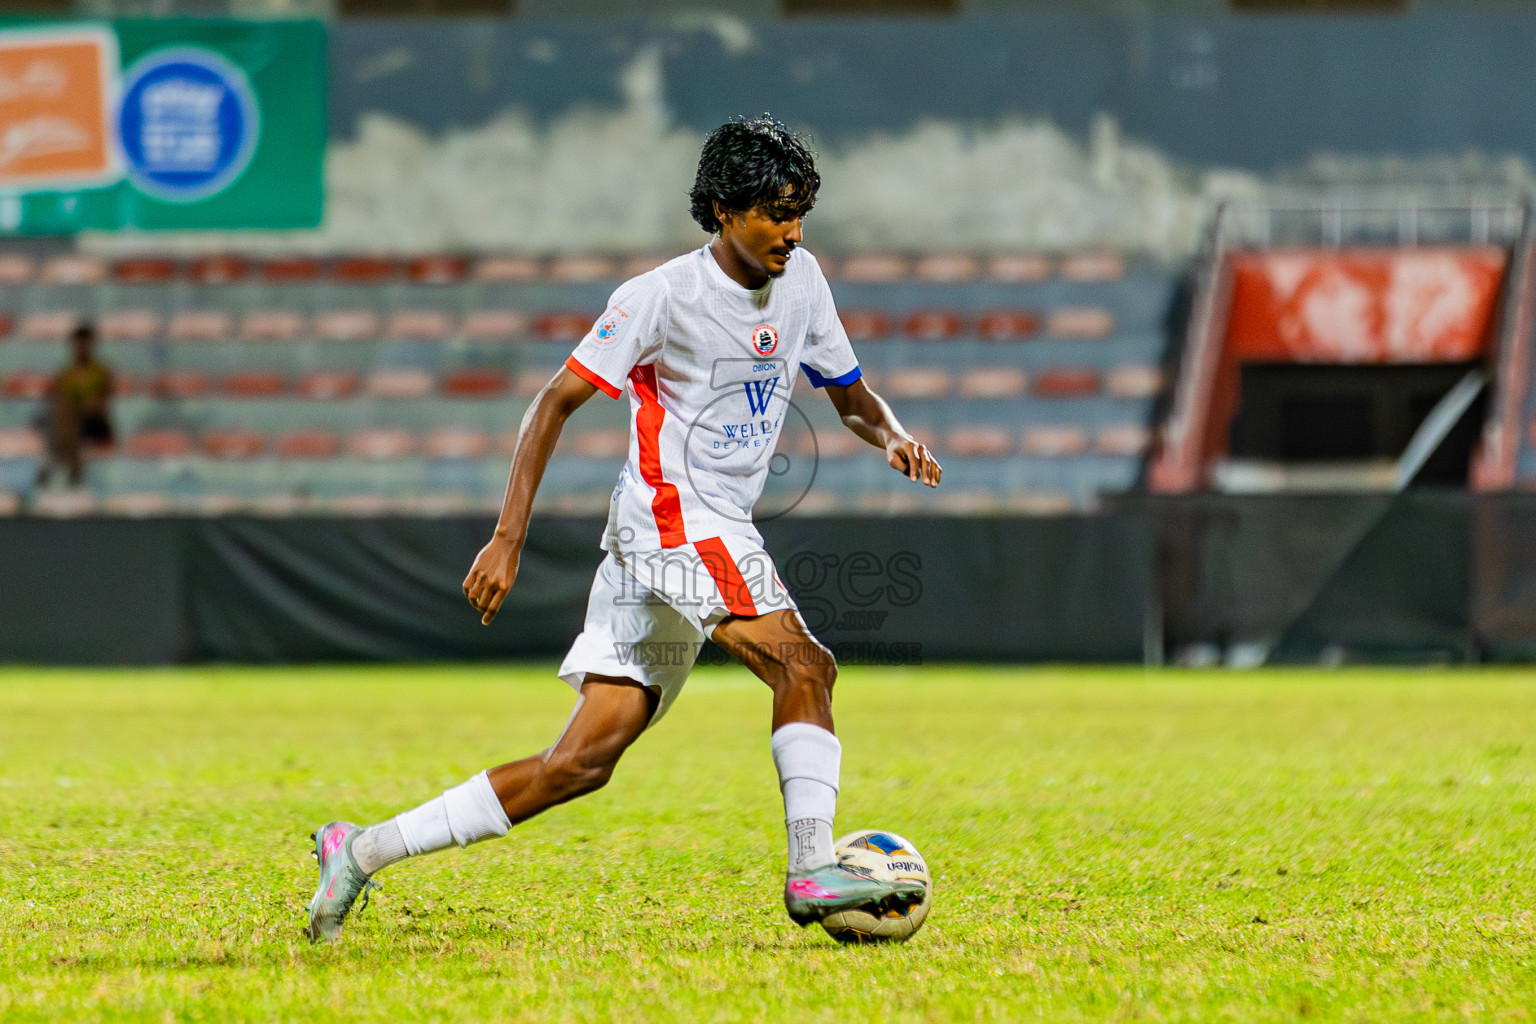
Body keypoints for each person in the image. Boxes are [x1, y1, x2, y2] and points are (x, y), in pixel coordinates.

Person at [305, 115, 943, 943]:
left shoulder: (805, 280)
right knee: (807, 666)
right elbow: (553, 402)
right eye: (774, 212)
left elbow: (850, 396)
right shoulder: (659, 296)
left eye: (799, 211)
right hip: (673, 518)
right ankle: (812, 868)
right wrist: (507, 536)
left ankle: (360, 849)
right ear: (721, 209)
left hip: (692, 530)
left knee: (582, 764)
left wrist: (891, 434)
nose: (791, 230)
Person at [35, 323, 114, 488]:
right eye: (78, 344)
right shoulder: (65, 373)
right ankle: (75, 468)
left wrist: (84, 406)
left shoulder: (101, 372)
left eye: (85, 344)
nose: (81, 348)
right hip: (72, 423)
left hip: (95, 423)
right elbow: (58, 398)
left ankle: (53, 462)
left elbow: (102, 404)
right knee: (65, 416)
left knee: (67, 419)